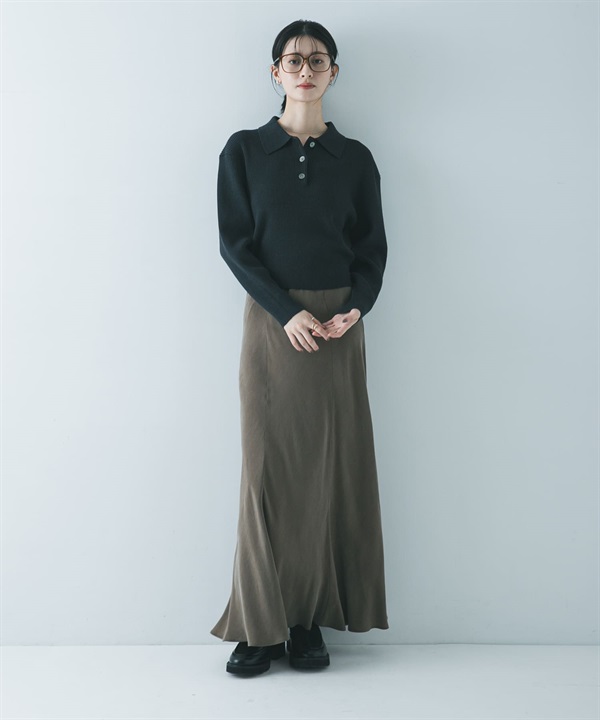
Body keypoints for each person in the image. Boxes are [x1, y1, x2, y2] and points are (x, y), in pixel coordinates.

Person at [210, 19, 390, 676]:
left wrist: (355, 307)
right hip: (272, 325)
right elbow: (236, 246)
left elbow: (372, 249)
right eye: (293, 60)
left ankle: (306, 621)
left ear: (333, 73)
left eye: (317, 60)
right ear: (275, 72)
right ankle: (259, 626)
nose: (305, 70)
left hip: (339, 330)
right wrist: (286, 312)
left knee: (326, 473)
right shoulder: (244, 151)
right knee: (266, 475)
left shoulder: (356, 159)